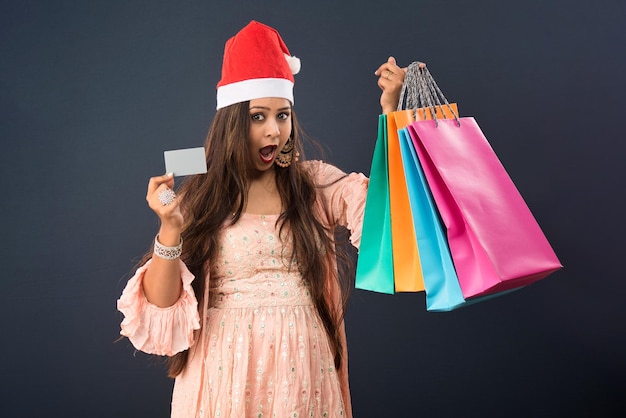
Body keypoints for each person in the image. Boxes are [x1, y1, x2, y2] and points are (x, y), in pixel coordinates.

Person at [117, 20, 405, 418]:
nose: (275, 131)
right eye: (258, 117)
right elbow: (162, 308)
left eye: (282, 115)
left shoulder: (312, 185)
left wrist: (391, 116)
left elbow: (386, 218)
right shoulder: (201, 194)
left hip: (303, 375)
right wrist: (170, 227)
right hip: (224, 376)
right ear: (233, 120)